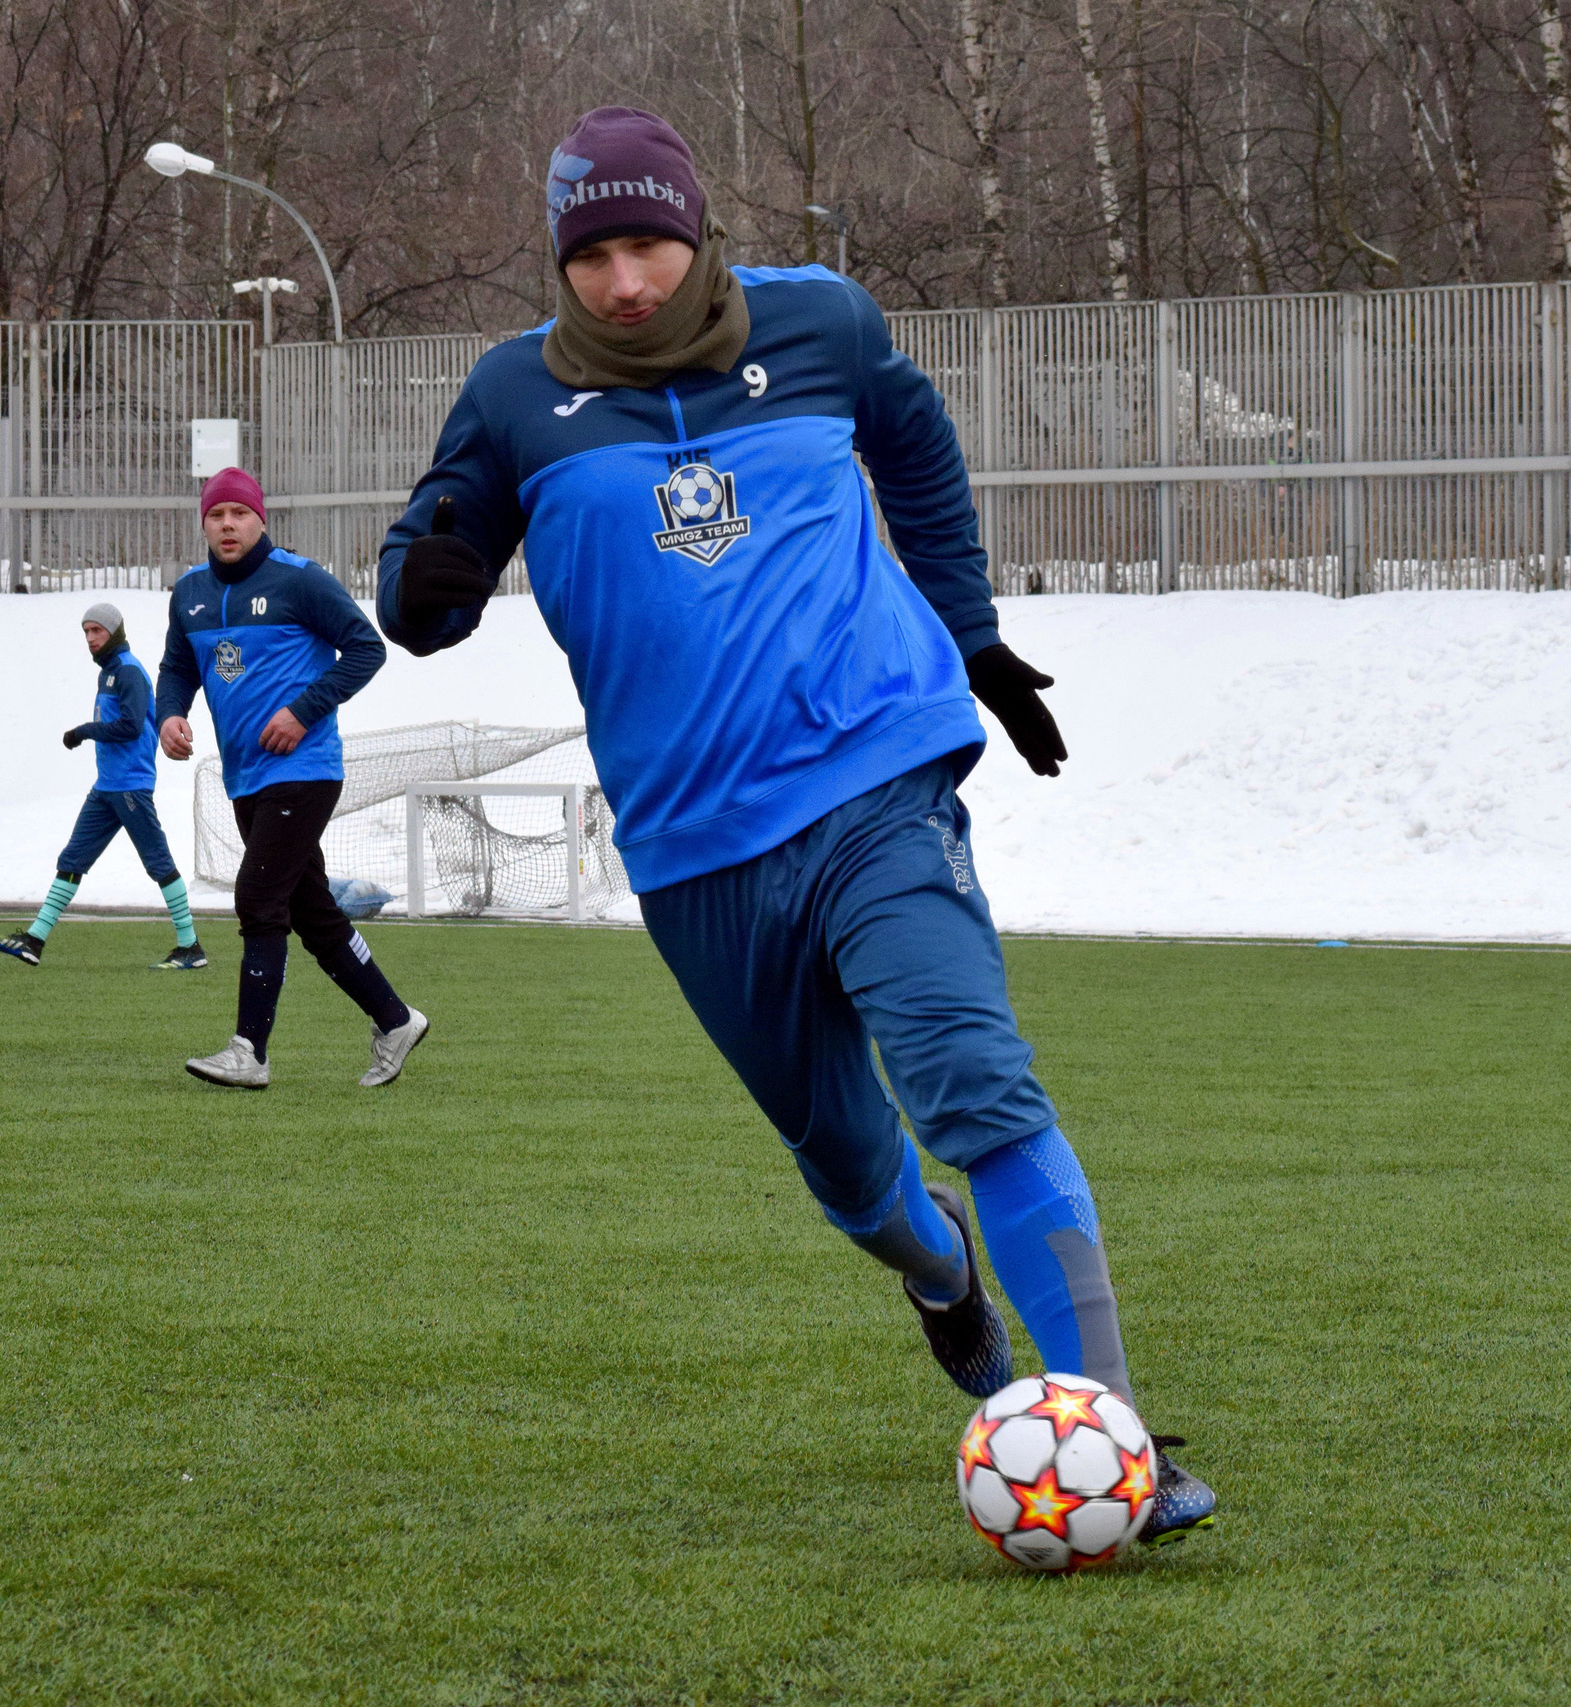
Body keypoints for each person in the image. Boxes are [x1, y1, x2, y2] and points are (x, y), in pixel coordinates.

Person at [376, 107, 1212, 1540]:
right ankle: (940, 1270)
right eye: (594, 257)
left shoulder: (822, 325)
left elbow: (917, 443)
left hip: (873, 772)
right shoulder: (515, 395)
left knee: (974, 1082)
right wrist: (426, 578)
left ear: (699, 233)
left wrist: (970, 633)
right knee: (851, 1170)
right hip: (695, 849)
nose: (627, 283)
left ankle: (1109, 1433)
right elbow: (419, 591)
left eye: (649, 245)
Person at [156, 468, 431, 1090]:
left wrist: (304, 711)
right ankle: (395, 1020)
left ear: (260, 520)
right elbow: (176, 667)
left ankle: (249, 1051)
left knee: (257, 899)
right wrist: (170, 714)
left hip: (304, 772)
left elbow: (367, 648)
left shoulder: (299, 579)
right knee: (312, 914)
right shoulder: (190, 594)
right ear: (203, 523)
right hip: (246, 779)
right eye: (216, 515)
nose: (227, 525)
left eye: (239, 514)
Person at [0, 603, 207, 971]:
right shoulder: (107, 673)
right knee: (72, 860)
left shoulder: (129, 672)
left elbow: (132, 727)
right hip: (107, 787)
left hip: (130, 787)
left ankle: (190, 946)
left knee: (158, 863)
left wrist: (84, 731)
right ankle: (35, 940)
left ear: (114, 632)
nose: (90, 638)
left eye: (97, 631)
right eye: (86, 632)